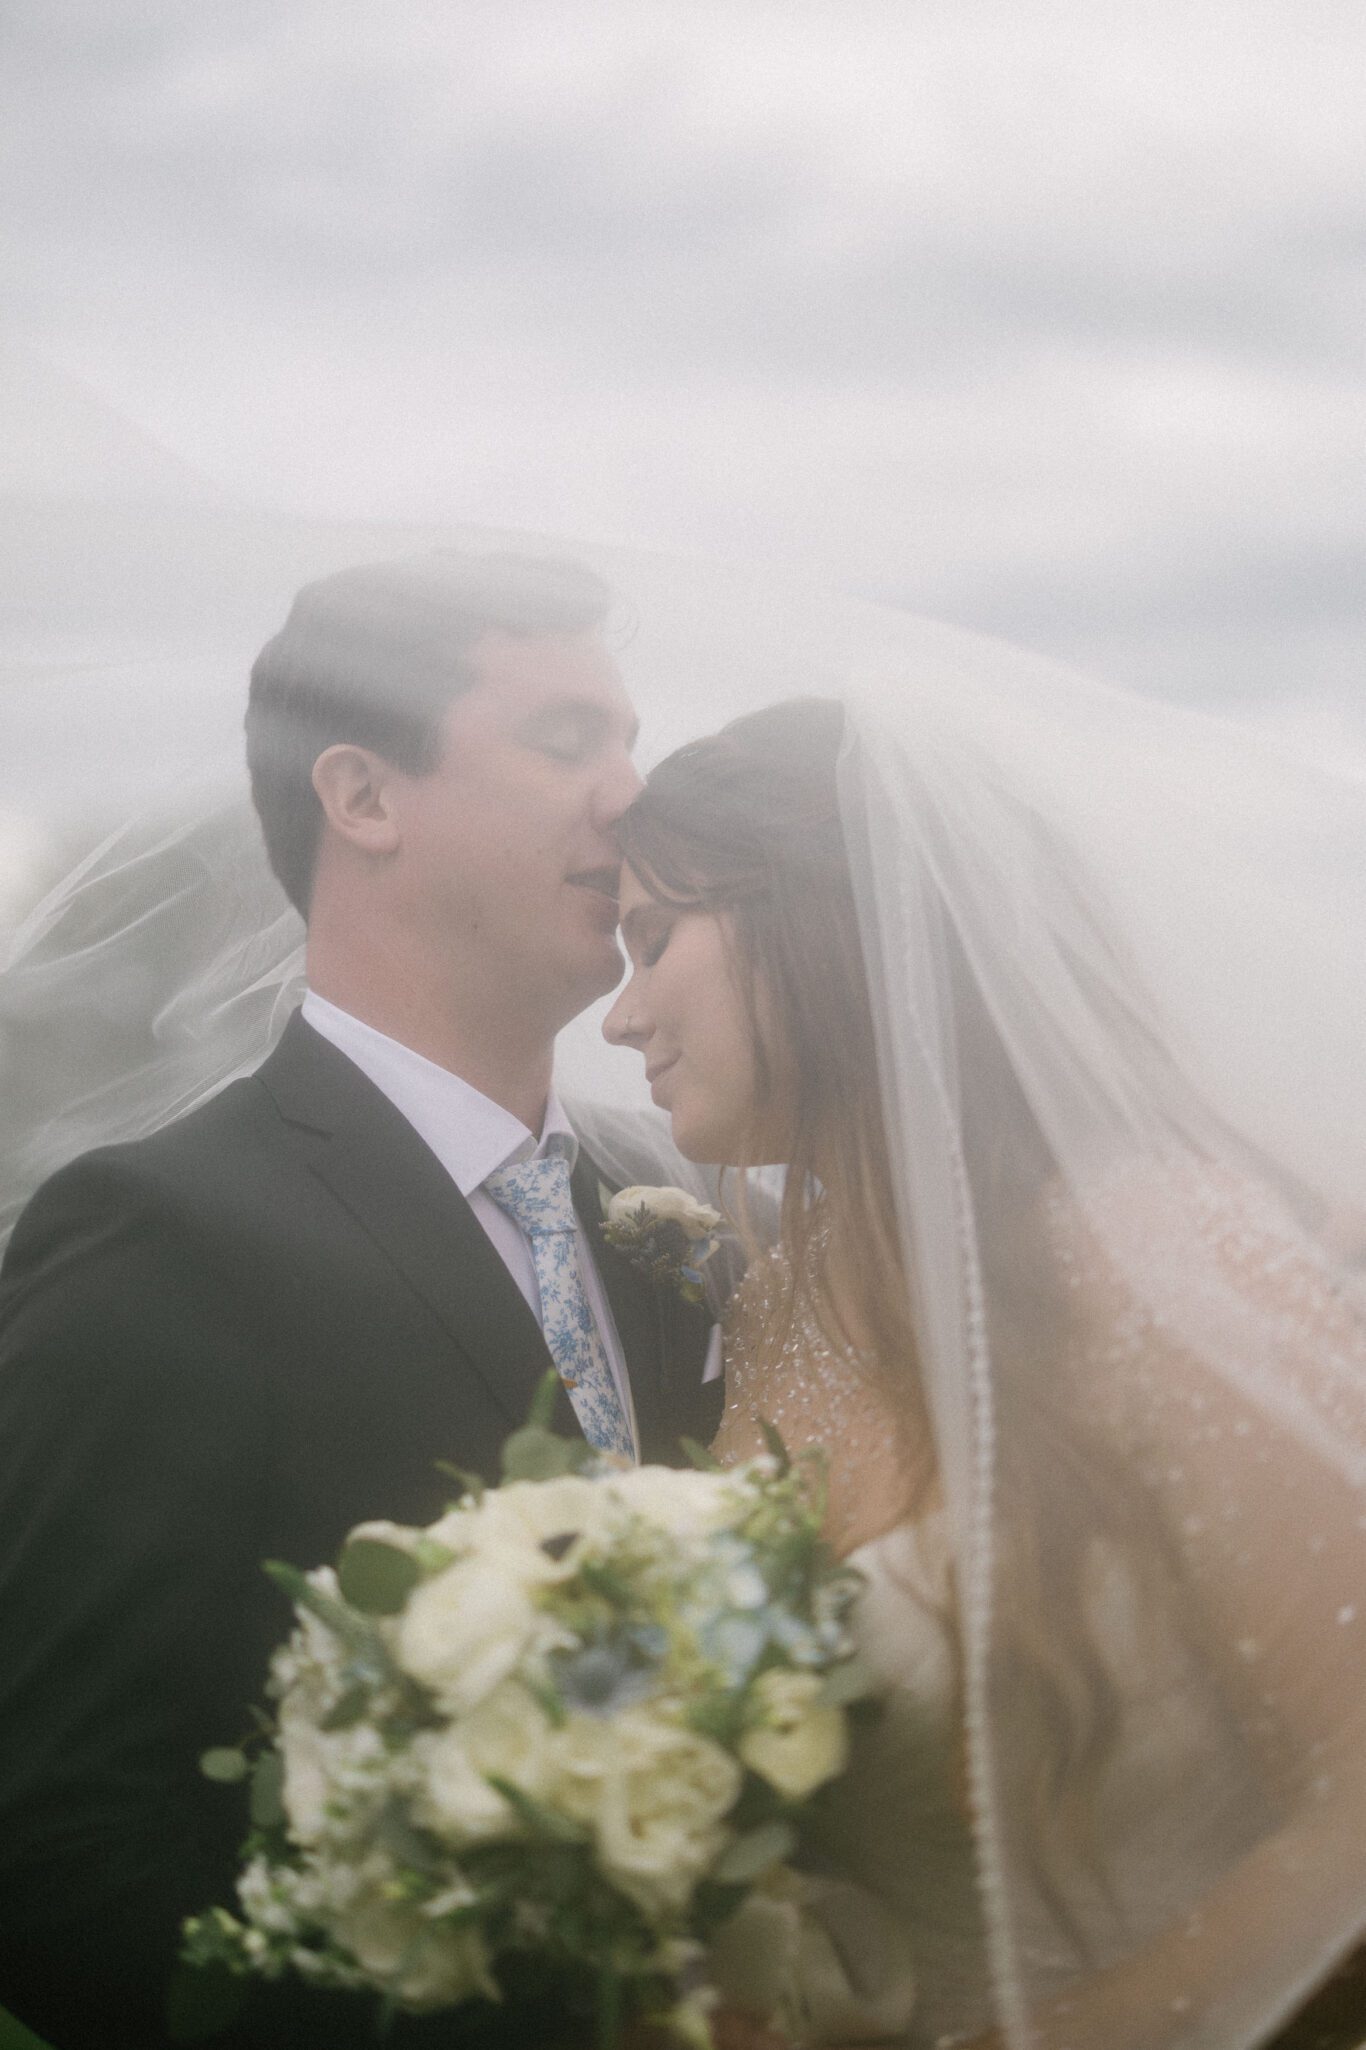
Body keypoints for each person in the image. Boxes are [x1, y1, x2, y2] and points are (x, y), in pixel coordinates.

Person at [0, 549, 719, 2050]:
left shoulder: (684, 1214)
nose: (630, 794)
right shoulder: (159, 1236)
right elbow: (56, 1843)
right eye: (567, 738)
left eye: (632, 741)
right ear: (364, 797)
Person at [601, 694, 1366, 2050]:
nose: (619, 1014)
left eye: (654, 939)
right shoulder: (779, 1299)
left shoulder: (1147, 1246)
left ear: (817, 921)